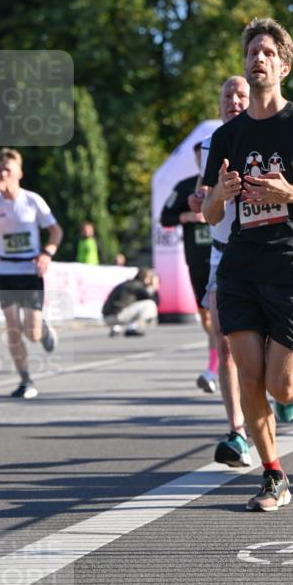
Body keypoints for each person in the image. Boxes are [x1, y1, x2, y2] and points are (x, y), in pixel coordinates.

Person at [202, 17, 293, 511]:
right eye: (252, 52)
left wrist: (291, 192)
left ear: (283, 66)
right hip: (240, 267)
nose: (258, 58)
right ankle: (273, 475)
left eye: (267, 52)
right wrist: (220, 195)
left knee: (279, 385)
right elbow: (209, 213)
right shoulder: (227, 138)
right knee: (247, 377)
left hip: (290, 265)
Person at [0, 147, 63, 399]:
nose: (3, 173)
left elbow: (56, 231)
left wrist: (47, 253)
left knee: (30, 334)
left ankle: (42, 328)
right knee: (12, 329)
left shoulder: (32, 200)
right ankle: (25, 380)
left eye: (8, 169)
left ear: (19, 172)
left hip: (30, 271)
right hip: (6, 271)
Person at [194, 75, 253, 466]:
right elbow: (205, 202)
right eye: (227, 95)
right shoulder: (207, 145)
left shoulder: (265, 139)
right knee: (226, 343)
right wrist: (206, 194)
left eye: (241, 95)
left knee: (266, 353)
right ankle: (237, 433)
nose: (233, 100)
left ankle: (285, 394)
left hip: (264, 252)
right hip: (222, 253)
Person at [160, 144, 218, 392]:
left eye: (206, 156)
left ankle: (213, 368)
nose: (203, 161)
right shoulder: (184, 187)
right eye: (199, 158)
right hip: (195, 260)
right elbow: (165, 217)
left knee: (219, 317)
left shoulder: (225, 183)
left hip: (222, 257)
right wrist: (185, 216)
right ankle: (219, 354)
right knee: (207, 317)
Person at [102, 267, 159, 335]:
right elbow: (154, 301)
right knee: (150, 304)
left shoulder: (127, 283)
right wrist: (155, 288)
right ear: (145, 278)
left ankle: (116, 327)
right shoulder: (137, 286)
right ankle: (132, 327)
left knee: (132, 304)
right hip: (118, 316)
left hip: (107, 317)